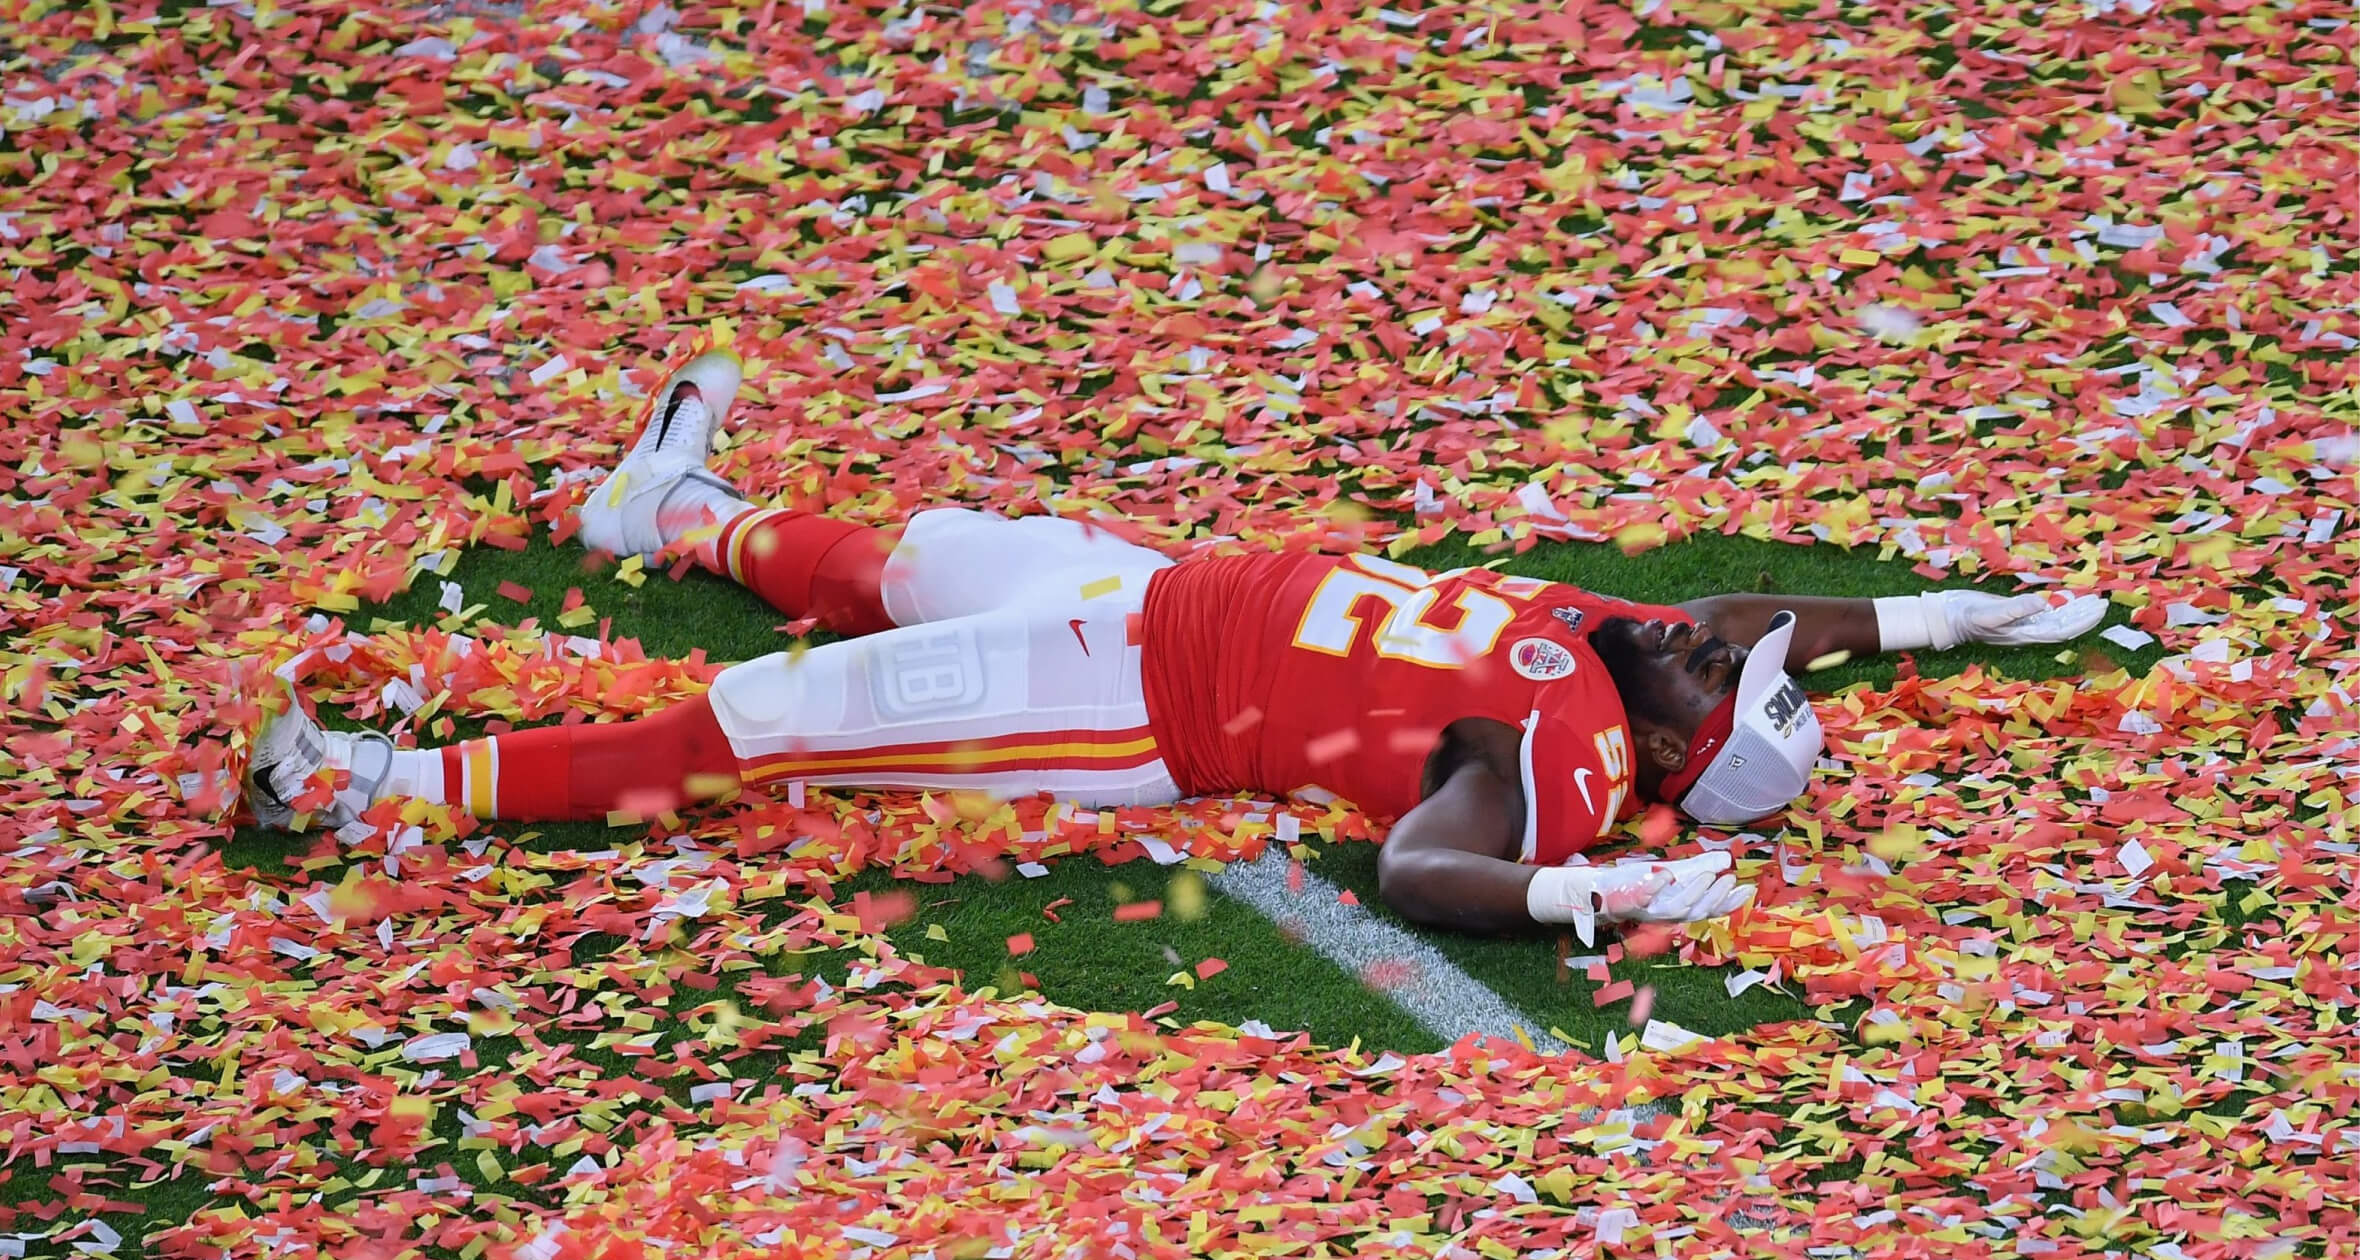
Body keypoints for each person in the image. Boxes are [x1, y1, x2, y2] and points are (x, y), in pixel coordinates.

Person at [244, 343, 2107, 941]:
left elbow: (1415, 872)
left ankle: (370, 790)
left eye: (1722, 677)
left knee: (766, 721)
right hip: (1152, 586)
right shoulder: (1629, 653)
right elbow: (1746, 623)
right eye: (1726, 649)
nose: (1712, 638)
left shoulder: (1566, 752)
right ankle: (661, 511)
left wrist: (1582, 898)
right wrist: (1935, 615)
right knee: (907, 560)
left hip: (1125, 693)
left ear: (1684, 754)